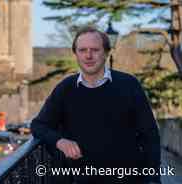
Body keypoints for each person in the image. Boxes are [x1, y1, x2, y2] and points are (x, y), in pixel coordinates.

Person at [31, 26, 161, 184]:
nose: (88, 56)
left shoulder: (129, 84)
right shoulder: (66, 88)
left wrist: (153, 178)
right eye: (82, 50)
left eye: (95, 50)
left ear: (106, 53)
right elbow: (38, 125)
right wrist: (60, 141)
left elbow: (150, 134)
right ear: (76, 54)